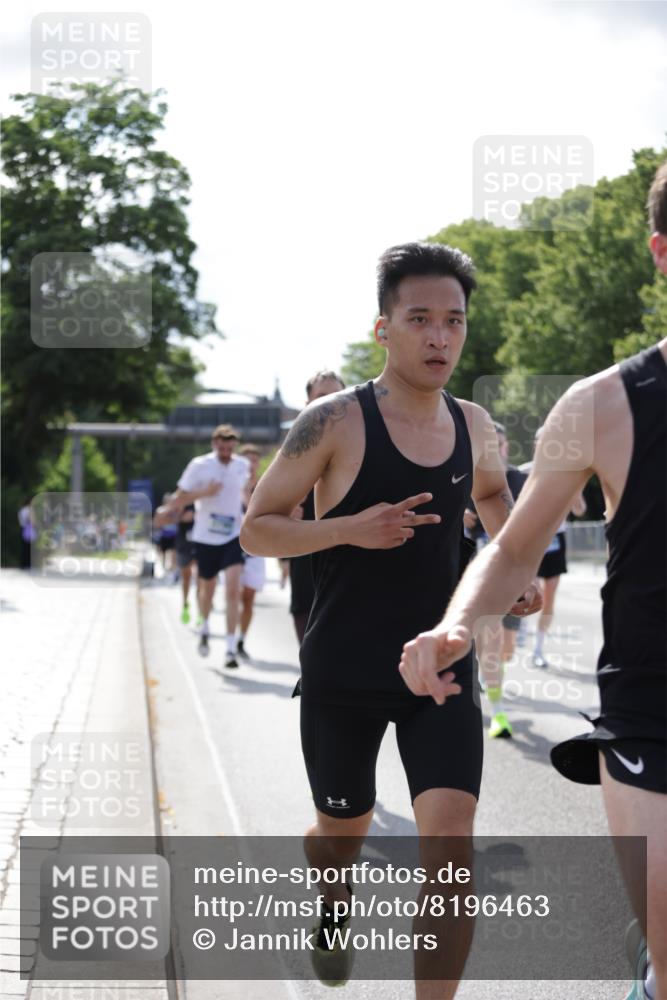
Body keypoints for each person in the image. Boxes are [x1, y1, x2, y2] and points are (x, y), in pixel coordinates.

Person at [242, 242, 540, 995]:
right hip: (343, 666)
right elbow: (258, 528)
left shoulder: (474, 424)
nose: (439, 337)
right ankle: (333, 904)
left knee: (449, 848)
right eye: (419, 320)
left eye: (453, 321)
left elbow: (494, 498)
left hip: (439, 666)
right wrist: (346, 527)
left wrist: (514, 566)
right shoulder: (332, 421)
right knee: (341, 834)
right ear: (384, 329)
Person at [400, 162, 667, 1000]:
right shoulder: (598, 407)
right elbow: (514, 547)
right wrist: (456, 623)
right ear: (661, 253)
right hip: (652, 712)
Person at [465, 422, 528, 739]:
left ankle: (484, 675)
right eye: (493, 445)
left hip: (514, 573)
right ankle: (499, 713)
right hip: (481, 571)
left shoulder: (519, 478)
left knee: (506, 648)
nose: (499, 450)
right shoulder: (467, 475)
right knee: (489, 642)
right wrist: (458, 514)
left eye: (502, 444)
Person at [171, 425, 249, 668]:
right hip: (205, 536)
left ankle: (229, 649)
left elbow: (246, 495)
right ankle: (204, 624)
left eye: (230, 448)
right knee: (208, 588)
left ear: (234, 446)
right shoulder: (199, 465)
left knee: (234, 589)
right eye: (221, 447)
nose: (226, 452)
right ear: (214, 444)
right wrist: (206, 492)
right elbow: (178, 499)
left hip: (233, 535)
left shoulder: (242, 465)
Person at [288, 370, 346, 645]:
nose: (330, 402)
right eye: (322, 396)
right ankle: (310, 675)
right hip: (307, 545)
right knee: (305, 610)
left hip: (352, 545)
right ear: (307, 403)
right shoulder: (295, 447)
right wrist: (286, 512)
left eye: (337, 395)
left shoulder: (366, 440)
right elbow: (267, 510)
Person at [528, 428, 587, 669]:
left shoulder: (570, 474)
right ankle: (518, 629)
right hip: (531, 539)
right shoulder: (524, 472)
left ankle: (538, 648)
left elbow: (580, 510)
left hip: (555, 539)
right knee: (528, 593)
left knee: (548, 597)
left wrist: (574, 490)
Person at [236, 444, 266, 661]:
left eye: (255, 460)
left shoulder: (266, 485)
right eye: (247, 460)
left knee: (248, 598)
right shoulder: (232, 484)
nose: (251, 465)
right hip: (232, 547)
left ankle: (240, 640)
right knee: (234, 594)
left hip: (255, 548)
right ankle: (230, 635)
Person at [18, 498, 36, 569]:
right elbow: (31, 520)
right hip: (28, 529)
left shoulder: (21, 510)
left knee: (24, 548)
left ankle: (23, 564)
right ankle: (28, 564)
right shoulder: (29, 510)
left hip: (23, 528)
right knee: (29, 548)